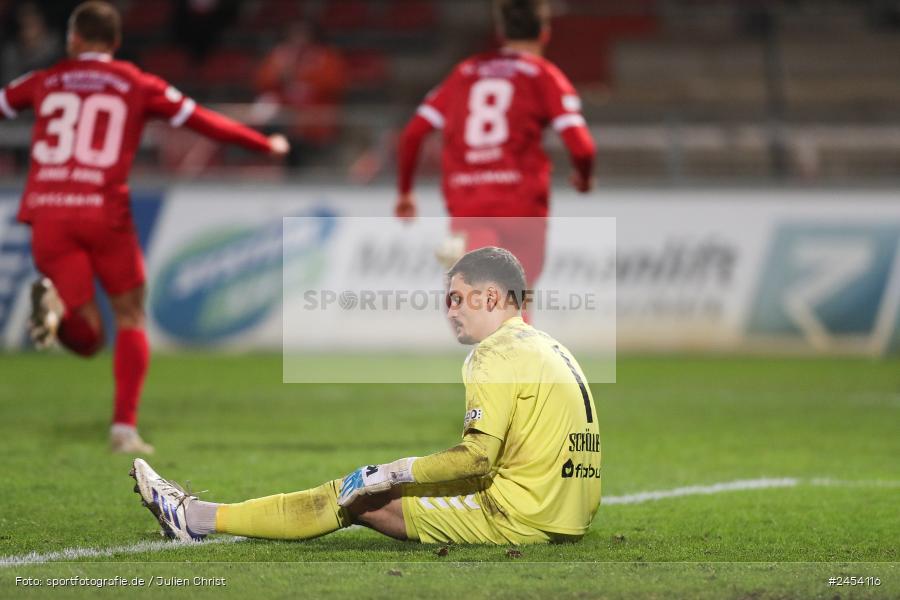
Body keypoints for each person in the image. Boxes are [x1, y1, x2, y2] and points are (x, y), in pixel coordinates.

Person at [131, 247, 601, 545]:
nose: (450, 312)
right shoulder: (549, 345)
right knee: (382, 485)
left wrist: (390, 471)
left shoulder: (492, 354)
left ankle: (195, 519)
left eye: (458, 298)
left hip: (523, 518)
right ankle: (197, 517)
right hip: (569, 511)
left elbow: (478, 458)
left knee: (356, 493)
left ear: (492, 297)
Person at [0, 1, 290, 453]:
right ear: (115, 43)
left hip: (48, 213)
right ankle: (123, 430)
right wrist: (263, 143)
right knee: (130, 318)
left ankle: (55, 310)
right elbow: (203, 120)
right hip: (103, 212)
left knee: (88, 336)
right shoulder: (135, 82)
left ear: (73, 39)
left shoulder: (45, 80)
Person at [395, 0, 596, 287]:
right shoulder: (545, 76)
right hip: (523, 207)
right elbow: (583, 148)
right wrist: (584, 178)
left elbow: (413, 134)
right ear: (545, 32)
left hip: (470, 204)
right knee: (515, 303)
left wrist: (405, 192)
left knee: (468, 303)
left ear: (501, 33)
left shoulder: (465, 73)